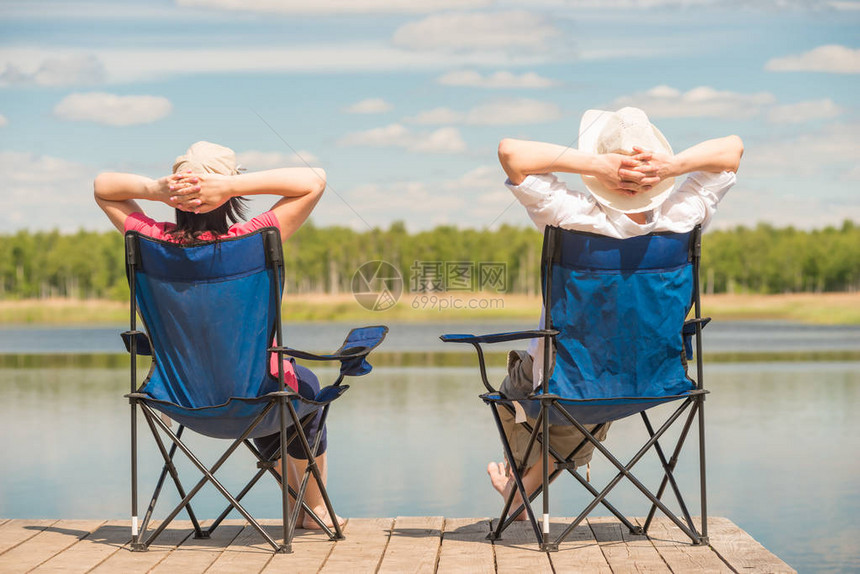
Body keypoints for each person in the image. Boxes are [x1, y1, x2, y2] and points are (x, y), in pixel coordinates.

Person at [489, 107, 744, 517]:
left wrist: (595, 164)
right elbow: (734, 149)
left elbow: (510, 152)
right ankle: (519, 492)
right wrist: (671, 167)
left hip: (569, 385)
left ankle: (517, 485)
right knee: (590, 395)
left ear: (600, 176)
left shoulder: (570, 215)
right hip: (654, 383)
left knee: (515, 391)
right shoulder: (685, 215)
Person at [94, 141, 340, 530]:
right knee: (298, 385)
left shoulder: (151, 240)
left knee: (275, 387)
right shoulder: (254, 238)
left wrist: (157, 191)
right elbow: (315, 179)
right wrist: (230, 186)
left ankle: (307, 509)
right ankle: (314, 509)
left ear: (175, 195)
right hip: (255, 402)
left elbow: (103, 187)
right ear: (229, 195)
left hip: (180, 404)